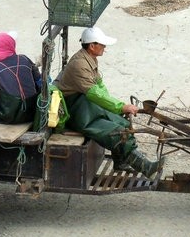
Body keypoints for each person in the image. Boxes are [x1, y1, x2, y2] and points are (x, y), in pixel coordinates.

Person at [54, 26, 163, 178]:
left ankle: (121, 162)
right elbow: (95, 94)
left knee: (123, 123)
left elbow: (100, 88)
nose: (104, 47)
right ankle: (146, 168)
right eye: (102, 44)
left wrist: (116, 108)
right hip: (76, 112)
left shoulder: (89, 59)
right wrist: (120, 106)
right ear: (92, 46)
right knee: (118, 133)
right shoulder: (79, 65)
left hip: (86, 105)